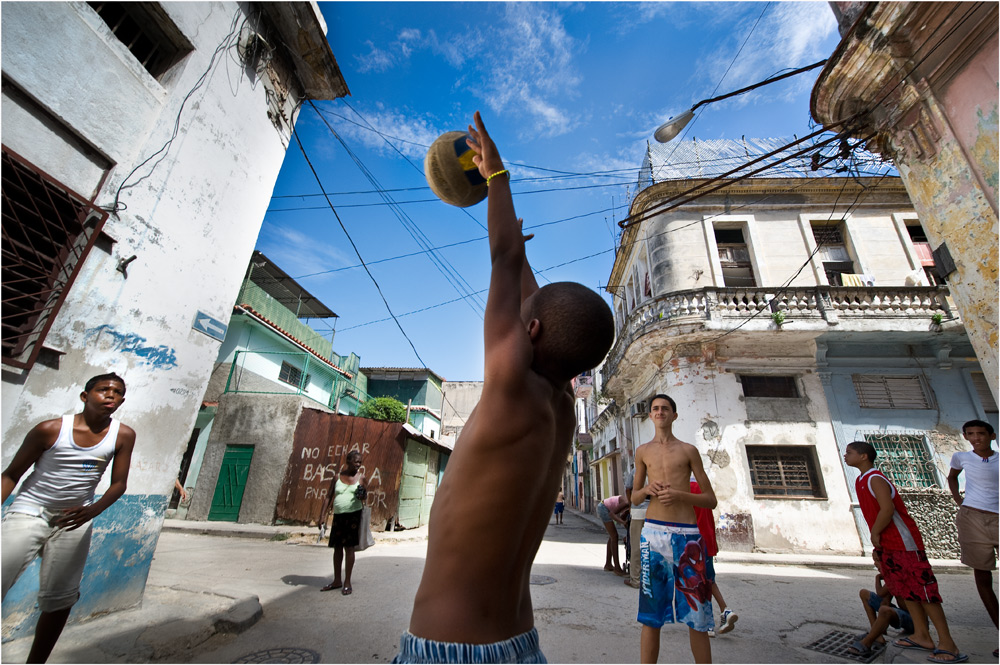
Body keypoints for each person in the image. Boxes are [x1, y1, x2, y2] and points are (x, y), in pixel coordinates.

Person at [394, 111, 615, 664]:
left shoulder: (511, 387)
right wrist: (517, 248)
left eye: (525, 319)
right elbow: (531, 291)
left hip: (448, 648)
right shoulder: (560, 409)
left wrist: (497, 178)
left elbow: (504, 260)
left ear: (529, 332)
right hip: (519, 642)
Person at [1, 373, 136, 664]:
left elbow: (119, 484)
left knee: (60, 599)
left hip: (75, 519)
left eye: (117, 393)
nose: (111, 395)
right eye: (103, 390)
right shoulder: (50, 430)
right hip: (30, 510)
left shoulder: (123, 435)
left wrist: (93, 510)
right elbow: (12, 474)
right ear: (85, 396)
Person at [843, 441, 967, 664]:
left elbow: (887, 509)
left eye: (849, 452)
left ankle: (947, 642)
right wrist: (878, 546)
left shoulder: (875, 478)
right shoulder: (860, 480)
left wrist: (875, 534)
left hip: (903, 543)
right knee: (906, 591)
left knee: (925, 592)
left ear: (863, 456)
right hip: (888, 545)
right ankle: (922, 635)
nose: (845, 455)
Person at [631, 394, 717, 664]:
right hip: (653, 535)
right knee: (651, 615)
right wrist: (646, 489)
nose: (659, 412)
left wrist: (681, 496)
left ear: (674, 415)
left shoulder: (688, 450)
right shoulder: (643, 451)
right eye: (655, 408)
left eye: (665, 408)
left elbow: (710, 499)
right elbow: (633, 497)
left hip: (687, 537)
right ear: (650, 415)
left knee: (698, 615)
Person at [946, 419, 998, 658]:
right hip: (973, 517)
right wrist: (959, 500)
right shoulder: (961, 457)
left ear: (992, 435)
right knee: (982, 574)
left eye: (981, 433)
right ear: (966, 436)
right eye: (971, 434)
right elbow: (952, 477)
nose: (976, 438)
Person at [690, 479, 737, 638]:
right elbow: (709, 516)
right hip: (707, 537)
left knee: (699, 581)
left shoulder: (684, 489)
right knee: (709, 580)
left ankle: (707, 622)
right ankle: (725, 611)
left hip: (694, 539)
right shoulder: (704, 487)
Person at [849, 550, 916, 657]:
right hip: (903, 614)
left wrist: (877, 578)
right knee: (864, 594)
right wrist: (880, 626)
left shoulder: (895, 574)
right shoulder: (890, 575)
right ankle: (877, 636)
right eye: (874, 560)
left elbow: (880, 593)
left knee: (885, 610)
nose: (875, 564)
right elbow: (885, 600)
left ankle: (867, 642)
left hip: (914, 621)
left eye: (878, 560)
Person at [319, 450, 366, 596]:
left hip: (353, 516)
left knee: (349, 548)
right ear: (348, 461)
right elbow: (328, 497)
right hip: (338, 517)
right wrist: (322, 516)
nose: (358, 464)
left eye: (360, 462)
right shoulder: (337, 477)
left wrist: (362, 495)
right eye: (356, 461)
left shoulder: (362, 478)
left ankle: (347, 582)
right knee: (337, 548)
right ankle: (337, 580)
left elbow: (365, 497)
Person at [597, 492, 630, 575]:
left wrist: (628, 532)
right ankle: (617, 568)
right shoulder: (626, 503)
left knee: (612, 536)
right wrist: (622, 522)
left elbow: (623, 516)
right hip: (603, 508)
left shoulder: (629, 505)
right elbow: (612, 514)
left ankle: (608, 564)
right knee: (614, 536)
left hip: (605, 507)